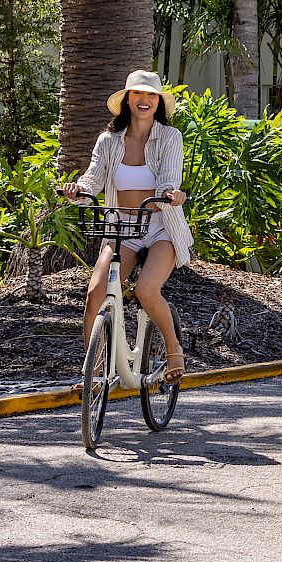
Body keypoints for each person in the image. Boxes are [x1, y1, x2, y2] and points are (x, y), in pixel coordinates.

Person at [65, 70, 192, 384]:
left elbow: (168, 178)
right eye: (138, 94)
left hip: (160, 225)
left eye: (150, 95)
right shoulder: (109, 139)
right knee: (96, 292)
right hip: (122, 226)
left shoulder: (169, 137)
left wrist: (170, 194)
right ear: (127, 100)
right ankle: (93, 373)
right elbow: (93, 178)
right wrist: (78, 191)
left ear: (158, 102)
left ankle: (174, 349)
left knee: (146, 290)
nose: (144, 100)